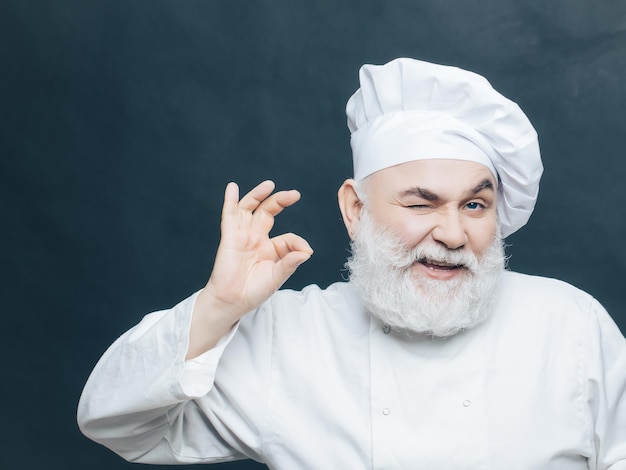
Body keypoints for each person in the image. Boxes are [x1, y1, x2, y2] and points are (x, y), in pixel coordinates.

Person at [77, 58, 626, 469]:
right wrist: (217, 307)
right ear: (355, 209)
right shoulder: (287, 338)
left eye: (475, 205)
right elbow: (118, 422)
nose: (454, 234)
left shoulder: (569, 326)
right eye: (421, 203)